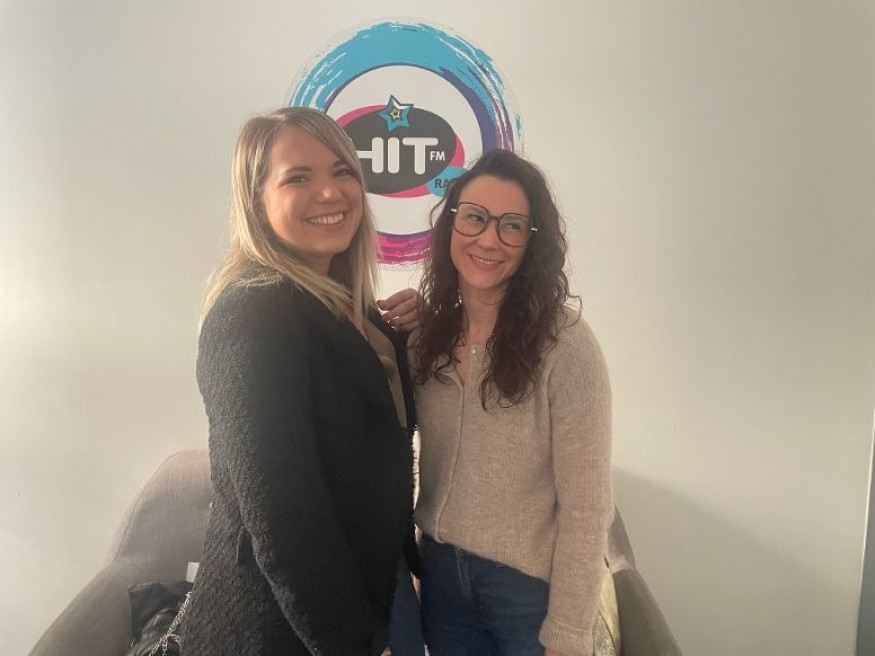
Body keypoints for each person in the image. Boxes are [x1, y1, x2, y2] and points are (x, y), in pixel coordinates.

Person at [180, 106, 422, 656]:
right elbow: (285, 518)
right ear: (256, 202)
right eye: (298, 177)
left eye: (342, 171)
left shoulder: (351, 307)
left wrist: (410, 337)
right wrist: (355, 644)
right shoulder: (251, 315)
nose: (330, 192)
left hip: (377, 588)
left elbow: (367, 433)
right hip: (291, 626)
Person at [411, 149, 613, 656]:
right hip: (440, 579)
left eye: (512, 226)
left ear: (531, 242)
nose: (488, 239)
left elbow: (587, 503)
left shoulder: (566, 345)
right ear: (451, 224)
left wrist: (569, 633)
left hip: (524, 593)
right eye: (474, 217)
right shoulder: (426, 338)